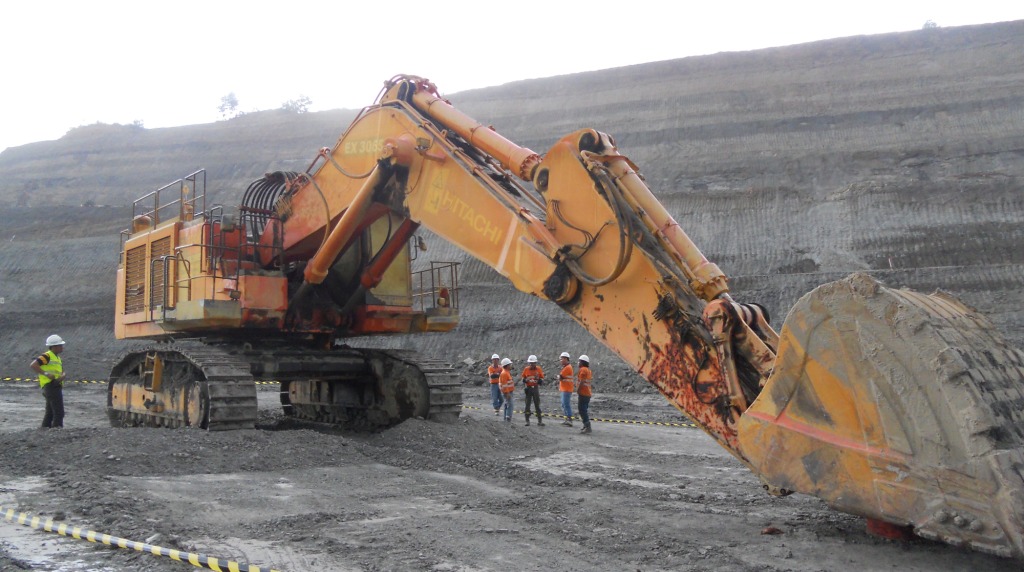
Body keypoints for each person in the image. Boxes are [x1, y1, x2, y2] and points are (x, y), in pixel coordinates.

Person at [30, 334, 67, 429]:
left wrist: (63, 376)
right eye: (60, 345)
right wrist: (46, 374)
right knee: (59, 412)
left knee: (50, 412)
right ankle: (56, 431)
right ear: (54, 346)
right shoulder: (47, 356)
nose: (62, 347)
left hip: (55, 385)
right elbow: (34, 365)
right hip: (50, 386)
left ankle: (44, 430)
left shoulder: (57, 358)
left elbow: (60, 371)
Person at [520, 354, 545, 426]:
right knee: (527, 405)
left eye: (533, 363)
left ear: (535, 363)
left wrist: (539, 381)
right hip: (528, 388)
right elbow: (523, 379)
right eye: (530, 363)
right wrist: (525, 380)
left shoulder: (539, 369)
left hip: (535, 388)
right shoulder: (526, 369)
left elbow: (542, 379)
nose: (532, 364)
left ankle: (539, 420)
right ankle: (527, 420)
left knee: (537, 404)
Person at [576, 354, 593, 434]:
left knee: (582, 410)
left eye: (579, 361)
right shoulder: (588, 370)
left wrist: (578, 390)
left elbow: (582, 381)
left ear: (582, 362)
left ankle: (587, 426)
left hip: (583, 393)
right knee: (584, 410)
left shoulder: (583, 369)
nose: (578, 363)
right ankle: (585, 425)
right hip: (588, 394)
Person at [556, 351, 574, 426]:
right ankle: (567, 419)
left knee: (566, 404)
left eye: (562, 359)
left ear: (566, 359)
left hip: (566, 389)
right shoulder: (567, 367)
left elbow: (561, 377)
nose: (561, 361)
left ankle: (569, 419)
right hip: (565, 389)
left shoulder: (567, 368)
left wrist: (558, 377)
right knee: (564, 404)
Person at [498, 358, 515, 422]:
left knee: (507, 404)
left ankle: (506, 418)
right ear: (507, 365)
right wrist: (507, 393)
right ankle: (508, 418)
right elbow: (504, 385)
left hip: (508, 391)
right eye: (510, 364)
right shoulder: (504, 373)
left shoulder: (506, 372)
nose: (511, 366)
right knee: (510, 405)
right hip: (507, 392)